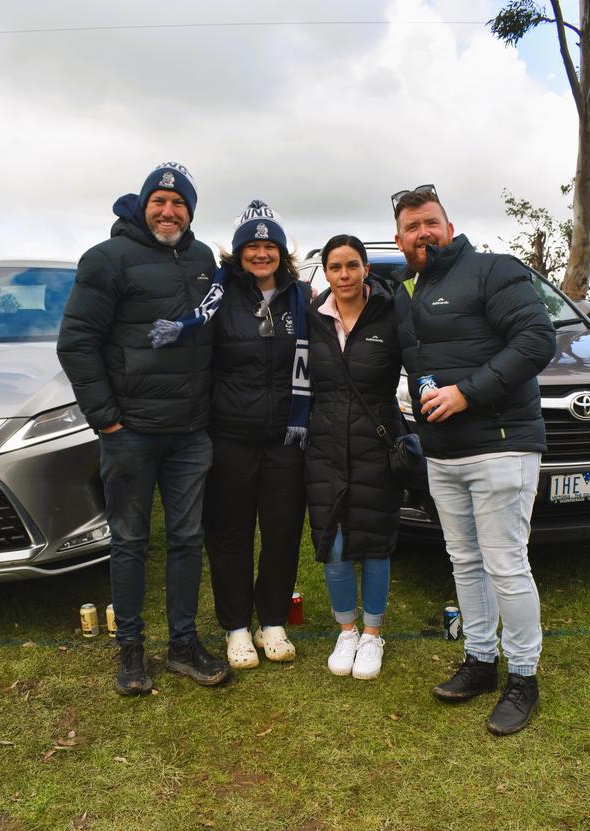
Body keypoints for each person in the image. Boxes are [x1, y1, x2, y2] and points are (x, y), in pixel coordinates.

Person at [57, 162, 230, 695]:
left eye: (179, 204)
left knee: (186, 538)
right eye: (159, 201)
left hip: (189, 432)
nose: (168, 211)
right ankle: (130, 650)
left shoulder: (203, 259)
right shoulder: (107, 260)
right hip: (128, 432)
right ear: (142, 205)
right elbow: (77, 343)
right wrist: (105, 417)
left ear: (191, 211)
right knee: (130, 540)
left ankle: (183, 643)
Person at [392, 185, 556, 734]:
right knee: (463, 562)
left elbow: (537, 339)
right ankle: (480, 662)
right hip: (443, 454)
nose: (423, 234)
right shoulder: (404, 291)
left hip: (502, 443)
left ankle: (523, 677)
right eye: (412, 227)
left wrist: (466, 392)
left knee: (506, 563)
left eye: (430, 222)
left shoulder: (492, 270)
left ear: (449, 224)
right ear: (400, 238)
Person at [202, 200, 311, 669]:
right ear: (239, 252)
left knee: (283, 530)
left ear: (282, 252)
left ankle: (272, 621)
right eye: (253, 245)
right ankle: (236, 628)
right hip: (230, 435)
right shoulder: (218, 296)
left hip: (287, 436)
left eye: (270, 246)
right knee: (229, 533)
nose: (261, 254)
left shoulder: (303, 298)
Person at [306, 235, 403, 679]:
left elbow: (420, 363)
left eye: (351, 265)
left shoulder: (391, 312)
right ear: (325, 272)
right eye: (334, 267)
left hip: (375, 441)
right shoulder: (314, 318)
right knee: (335, 542)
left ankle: (372, 633)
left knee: (375, 539)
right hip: (325, 444)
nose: (343, 275)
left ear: (365, 268)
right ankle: (346, 629)